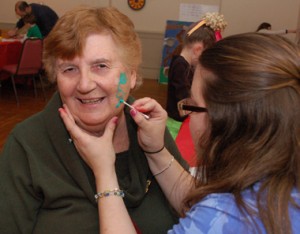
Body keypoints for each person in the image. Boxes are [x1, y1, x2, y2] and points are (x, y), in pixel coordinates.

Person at [60, 32, 300, 233]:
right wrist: (155, 150)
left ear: (225, 121)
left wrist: (104, 171)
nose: (84, 84)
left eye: (193, 106)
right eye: (69, 69)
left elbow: (215, 213)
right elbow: (202, 203)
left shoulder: (226, 217)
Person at [0, 6, 188, 234]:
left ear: (132, 75)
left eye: (101, 66)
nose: (84, 85)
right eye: (69, 69)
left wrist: (156, 151)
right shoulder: (28, 145)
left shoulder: (148, 129)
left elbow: (200, 213)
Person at [166, 12, 227, 122]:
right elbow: (184, 102)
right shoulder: (180, 65)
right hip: (176, 123)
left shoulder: (184, 63)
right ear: (198, 50)